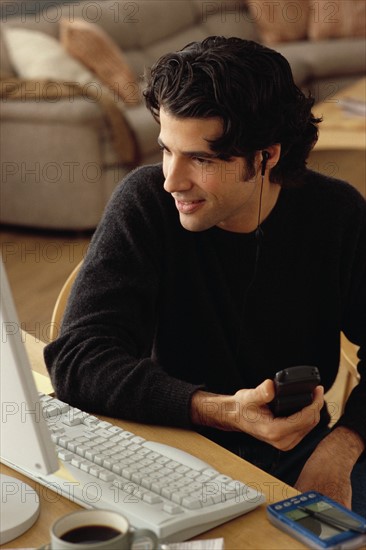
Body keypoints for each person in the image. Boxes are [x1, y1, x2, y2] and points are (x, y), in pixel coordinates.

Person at [44, 37, 366, 516]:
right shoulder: (146, 203)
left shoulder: (335, 215)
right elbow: (78, 359)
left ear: (267, 156)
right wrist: (221, 410)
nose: (172, 180)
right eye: (167, 150)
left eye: (202, 159)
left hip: (298, 452)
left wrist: (338, 450)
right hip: (166, 445)